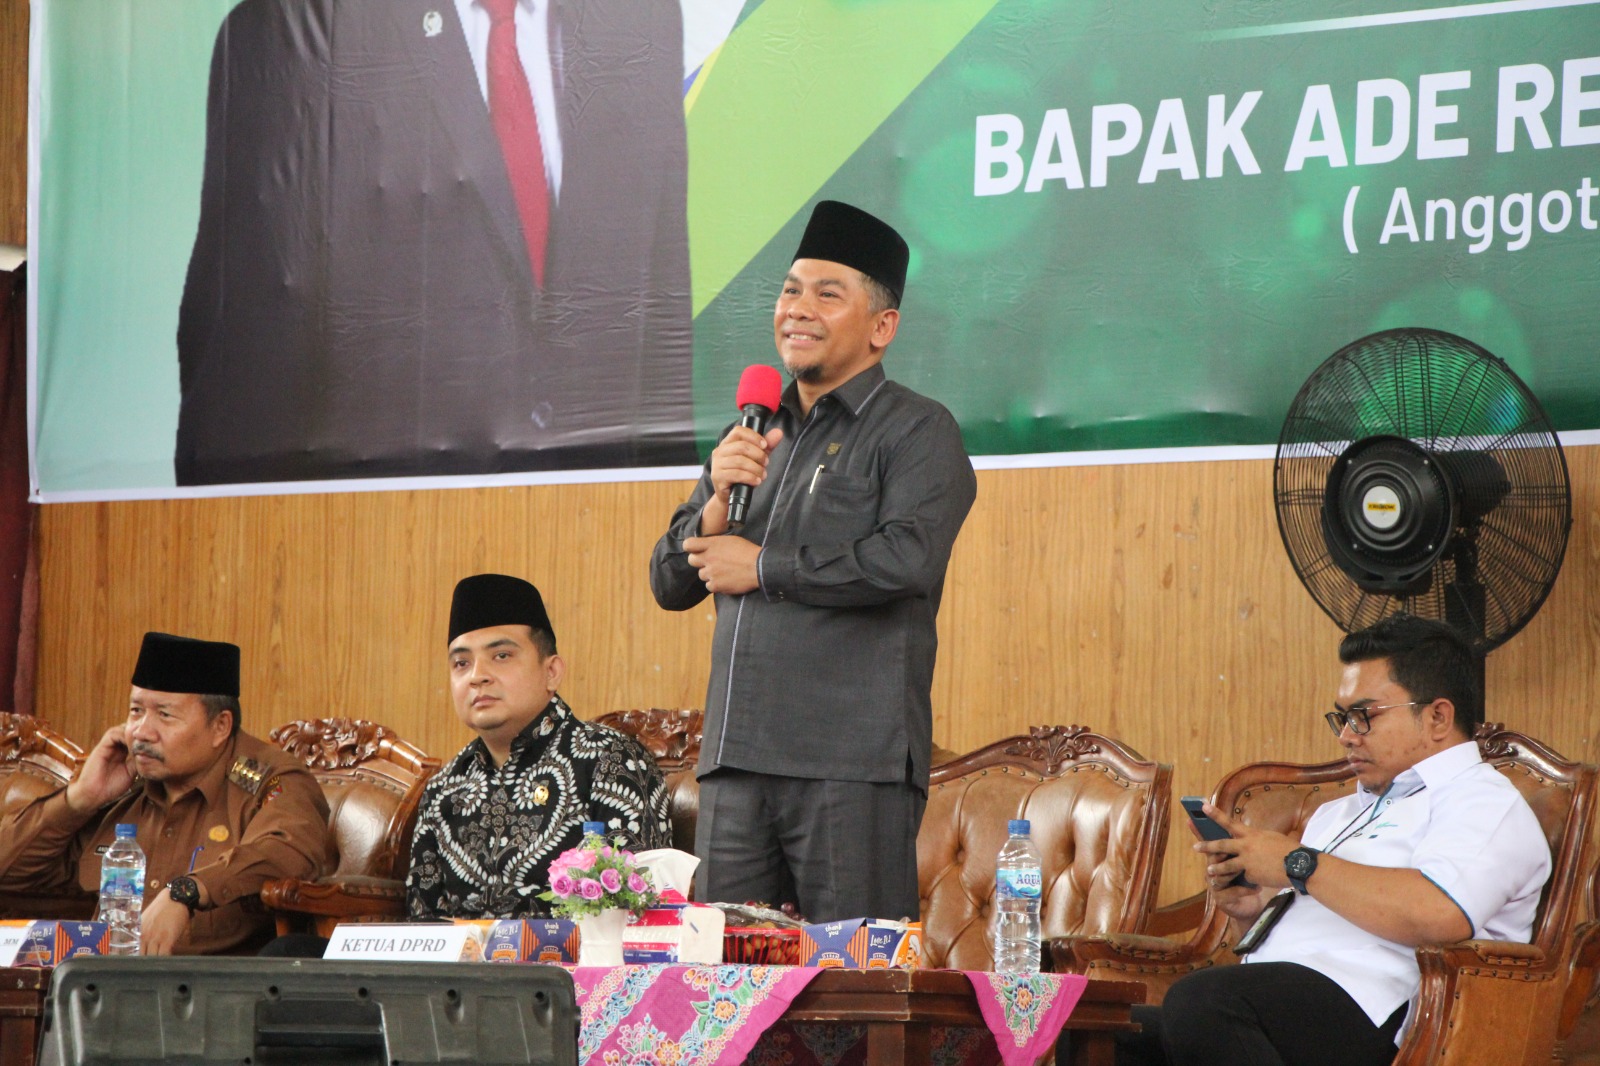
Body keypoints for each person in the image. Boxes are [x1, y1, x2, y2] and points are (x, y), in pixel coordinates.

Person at [174, 0, 693, 485]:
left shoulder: (642, 18)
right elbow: (236, 394)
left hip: (600, 526)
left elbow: (661, 328)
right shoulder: (292, 31)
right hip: (387, 530)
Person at [648, 200, 977, 923]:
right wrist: (714, 505)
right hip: (735, 765)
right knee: (724, 977)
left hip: (850, 767)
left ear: (882, 327)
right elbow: (668, 582)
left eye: (828, 294)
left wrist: (764, 567)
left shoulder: (917, 429)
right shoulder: (752, 431)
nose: (798, 309)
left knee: (850, 976)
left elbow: (906, 559)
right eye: (791, 290)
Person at [1117, 614, 1553, 1066]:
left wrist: (1297, 863)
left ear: (1438, 717)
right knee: (1106, 1031)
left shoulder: (1482, 802)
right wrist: (1252, 912)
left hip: (1386, 1014)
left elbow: (1441, 914)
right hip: (1284, 1005)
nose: (1346, 736)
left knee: (1203, 1002)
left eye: (1364, 716)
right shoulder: (1339, 813)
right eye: (1342, 718)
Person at [0, 632, 333, 955]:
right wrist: (79, 799)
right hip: (104, 981)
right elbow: (9, 874)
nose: (141, 732)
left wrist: (186, 893)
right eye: (136, 711)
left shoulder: (270, 781)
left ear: (220, 726)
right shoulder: (124, 791)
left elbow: (285, 851)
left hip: (214, 985)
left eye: (164, 715)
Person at [405, 573, 672, 919]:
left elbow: (639, 909)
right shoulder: (444, 788)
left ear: (552, 672)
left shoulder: (611, 761)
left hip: (577, 956)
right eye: (461, 663)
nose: (477, 676)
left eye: (501, 655)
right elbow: (422, 925)